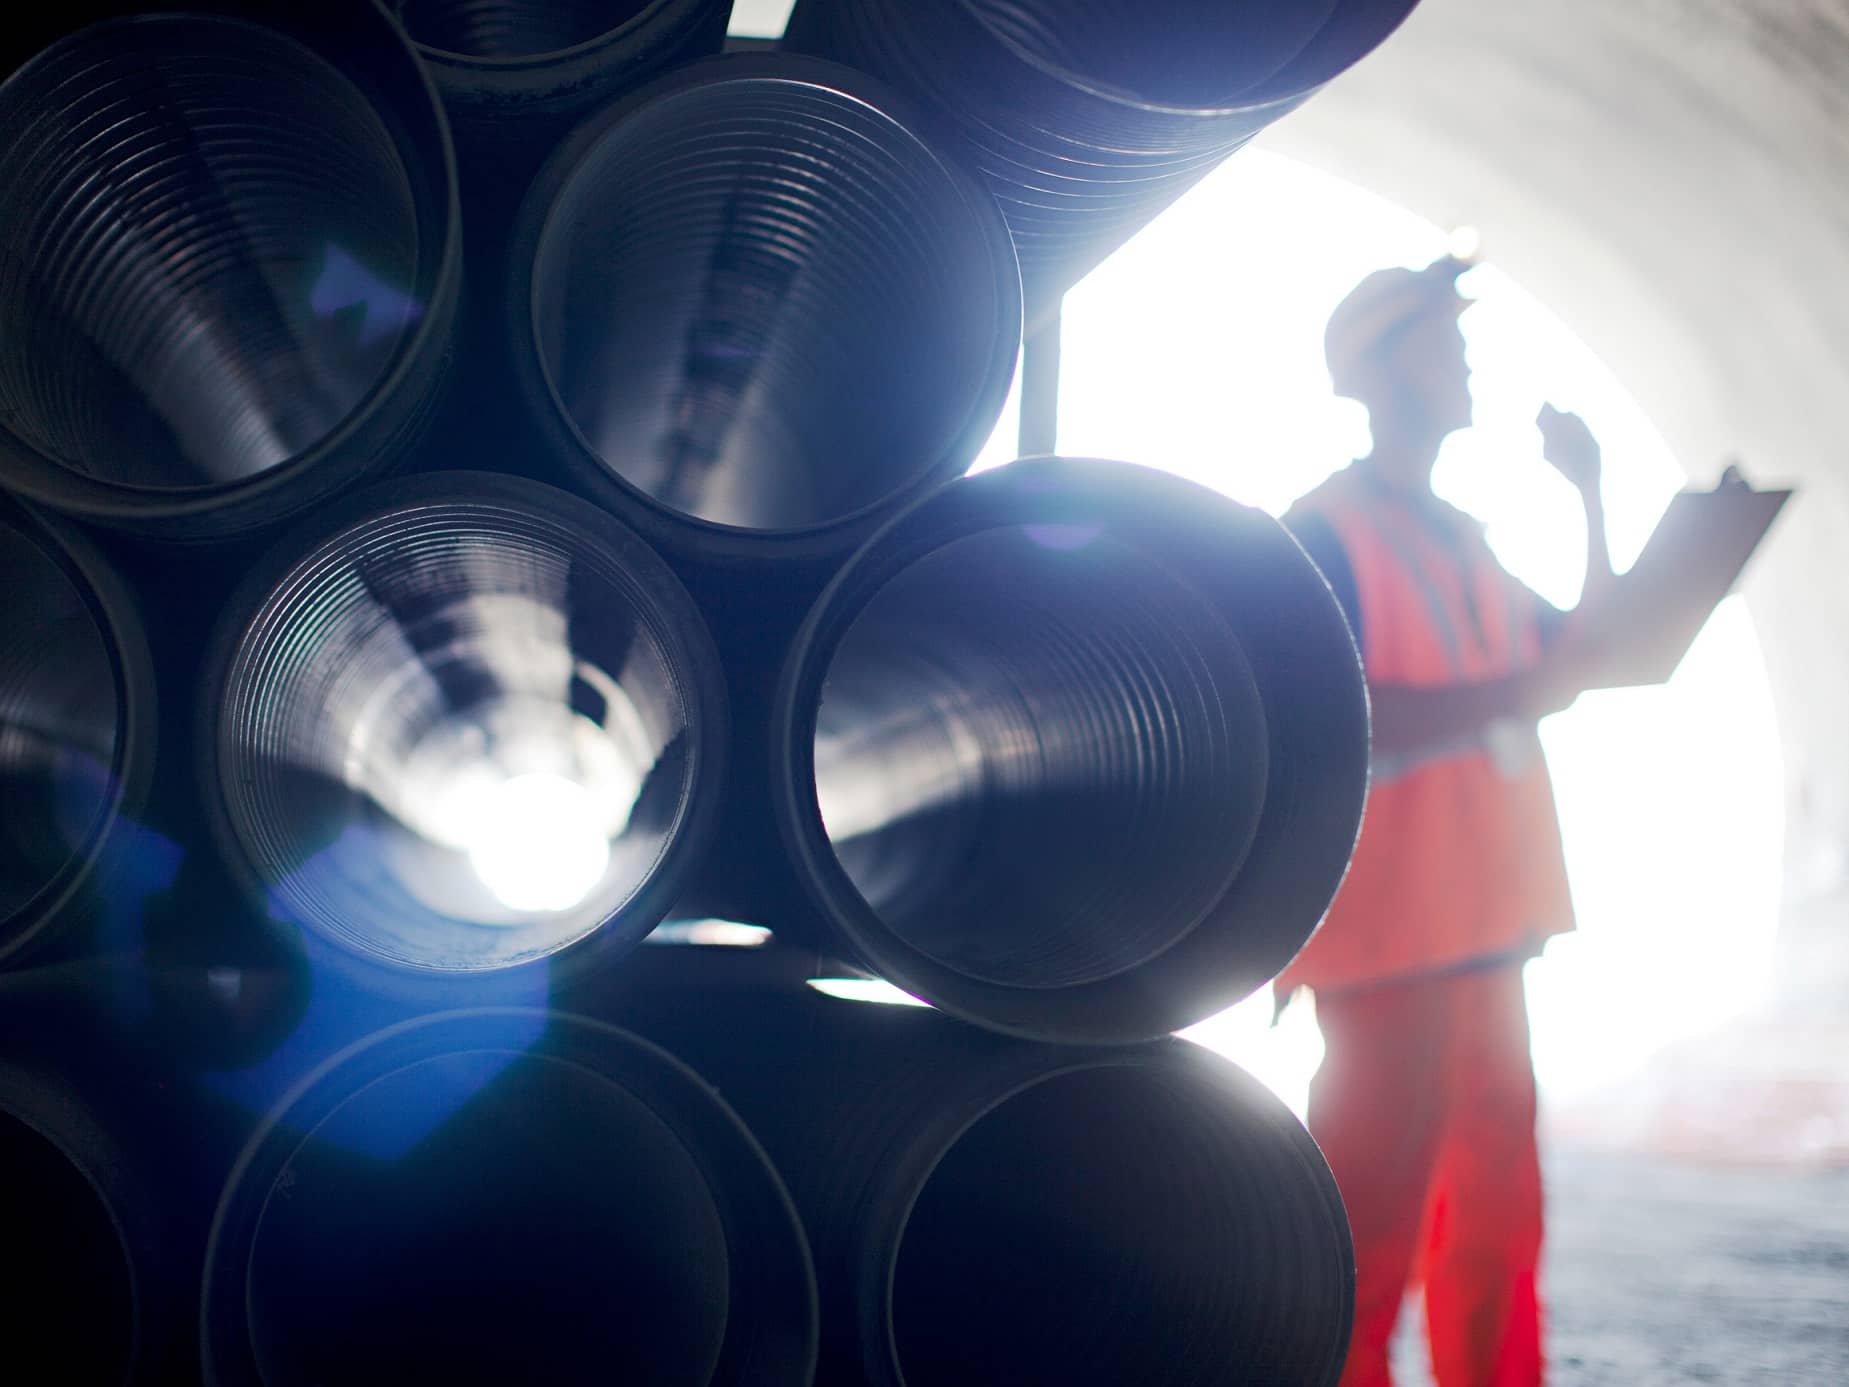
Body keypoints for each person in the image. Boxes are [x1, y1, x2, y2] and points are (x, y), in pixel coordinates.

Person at [1277, 254, 1612, 1387]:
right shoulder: (1322, 532)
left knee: (1497, 1232)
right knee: (1361, 1242)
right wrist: (1512, 696)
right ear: (1376, 372)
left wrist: (1590, 497)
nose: (1465, 362)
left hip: (1485, 928)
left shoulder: (1461, 536)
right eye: (1442, 342)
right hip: (1385, 946)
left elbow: (1584, 656)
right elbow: (1329, 712)